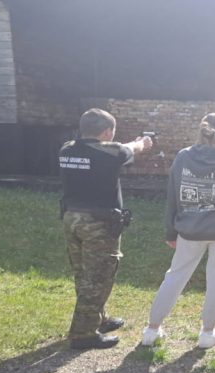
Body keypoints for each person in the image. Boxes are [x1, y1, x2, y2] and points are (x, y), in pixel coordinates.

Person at [141, 113, 215, 349]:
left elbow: (173, 196)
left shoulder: (183, 157)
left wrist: (170, 231)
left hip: (189, 229)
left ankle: (151, 330)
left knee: (175, 276)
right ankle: (207, 333)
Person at [59, 108, 152, 350]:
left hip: (71, 218)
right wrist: (143, 143)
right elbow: (131, 149)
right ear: (107, 132)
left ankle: (98, 319)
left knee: (83, 274)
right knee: (98, 277)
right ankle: (83, 335)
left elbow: (107, 150)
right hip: (98, 224)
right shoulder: (111, 151)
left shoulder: (66, 149)